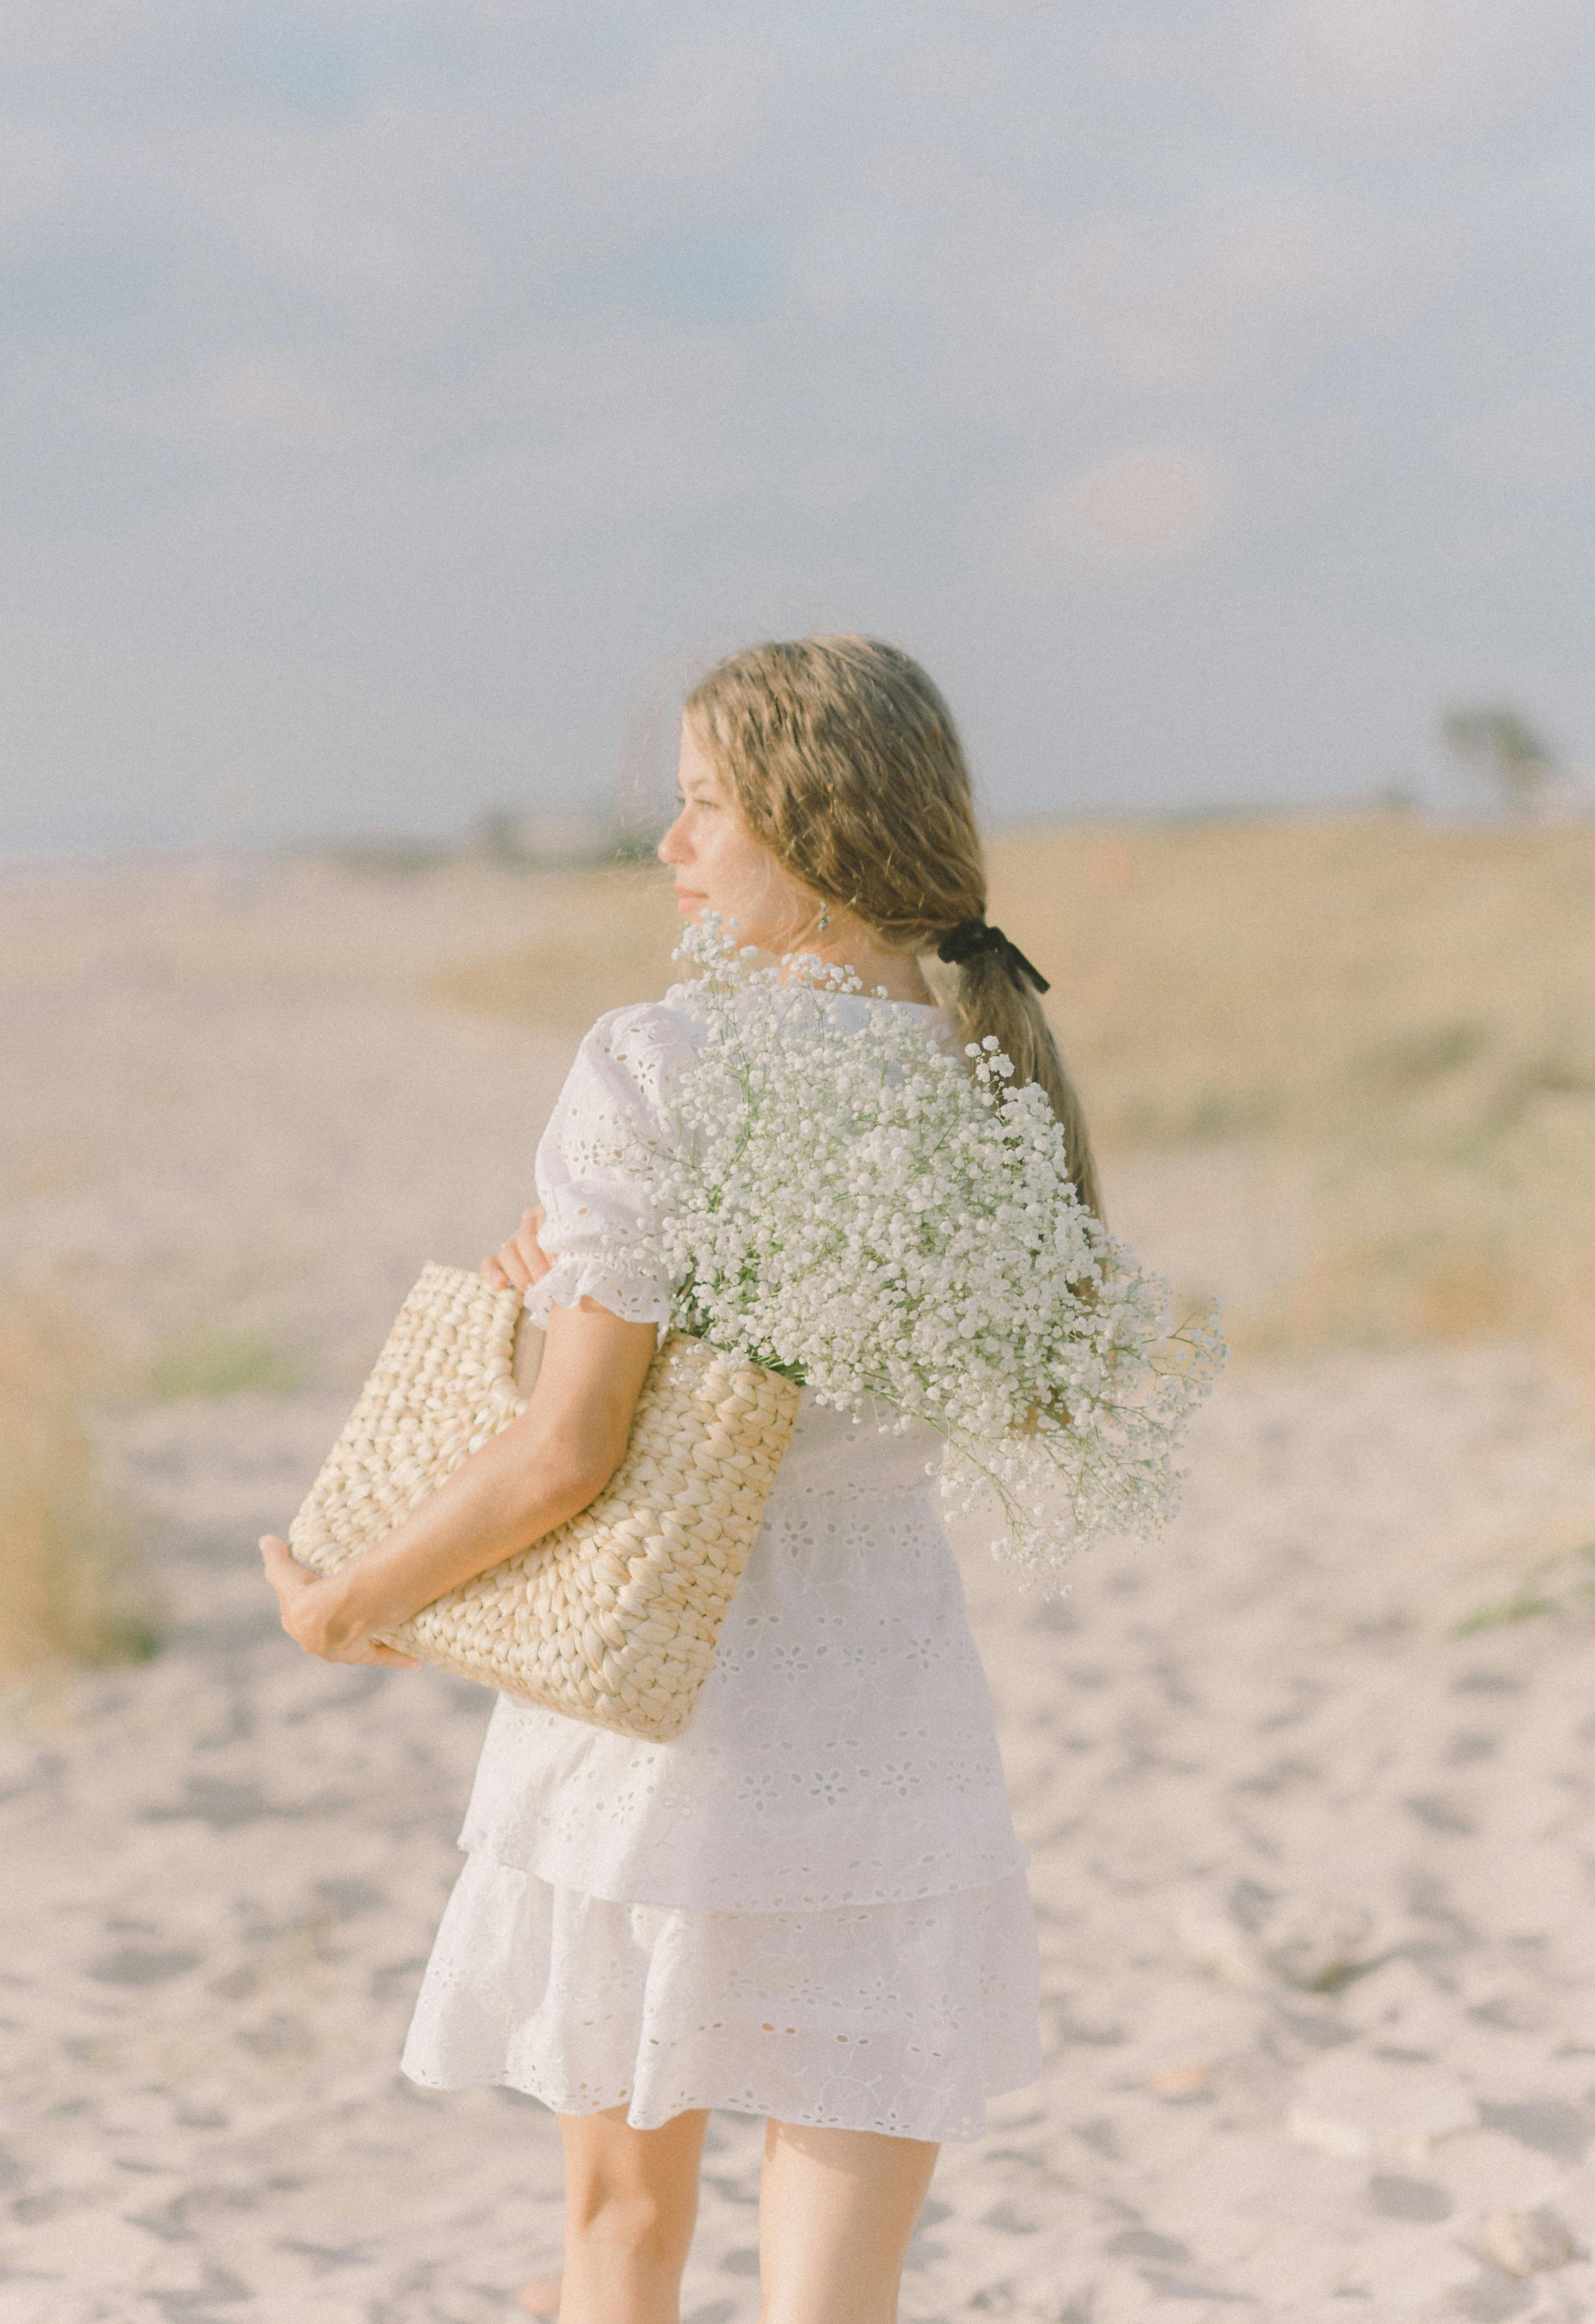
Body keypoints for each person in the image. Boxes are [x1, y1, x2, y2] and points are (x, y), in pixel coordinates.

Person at [261, 635, 1102, 2324]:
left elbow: (570, 1449)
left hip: (663, 1705)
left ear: (810, 825)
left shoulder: (659, 1062)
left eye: (702, 804)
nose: (671, 846)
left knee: (619, 2241)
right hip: (892, 1703)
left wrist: (353, 1597)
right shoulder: (997, 1073)